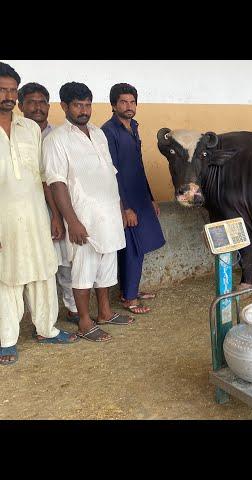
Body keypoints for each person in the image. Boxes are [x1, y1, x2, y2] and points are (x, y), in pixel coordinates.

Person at [43, 82, 134, 343]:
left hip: (108, 213)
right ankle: (84, 322)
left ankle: (104, 312)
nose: (83, 110)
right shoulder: (56, 140)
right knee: (83, 270)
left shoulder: (98, 133)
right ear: (64, 107)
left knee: (106, 266)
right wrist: (71, 221)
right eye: (77, 105)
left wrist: (118, 208)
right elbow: (56, 182)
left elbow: (110, 173)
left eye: (87, 105)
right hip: (83, 217)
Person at [0, 62, 77, 366]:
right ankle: (6, 339)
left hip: (35, 215)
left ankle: (46, 329)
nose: (7, 95)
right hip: (3, 221)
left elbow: (43, 177)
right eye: (1, 89)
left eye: (10, 89)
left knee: (44, 272)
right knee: (7, 278)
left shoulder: (30, 129)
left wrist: (55, 216)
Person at [17, 82, 79, 324]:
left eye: (42, 102)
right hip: (28, 210)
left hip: (60, 208)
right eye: (31, 102)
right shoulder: (17, 135)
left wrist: (60, 214)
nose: (37, 107)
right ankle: (38, 318)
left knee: (65, 260)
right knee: (36, 264)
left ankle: (73, 308)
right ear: (21, 105)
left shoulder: (58, 135)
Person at [102, 83, 166, 314]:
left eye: (132, 102)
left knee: (141, 245)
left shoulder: (134, 127)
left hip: (140, 196)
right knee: (131, 248)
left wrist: (150, 198)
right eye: (123, 102)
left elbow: (139, 166)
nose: (129, 106)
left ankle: (131, 290)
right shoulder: (108, 132)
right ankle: (129, 298)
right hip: (125, 198)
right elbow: (112, 172)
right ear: (113, 105)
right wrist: (124, 208)